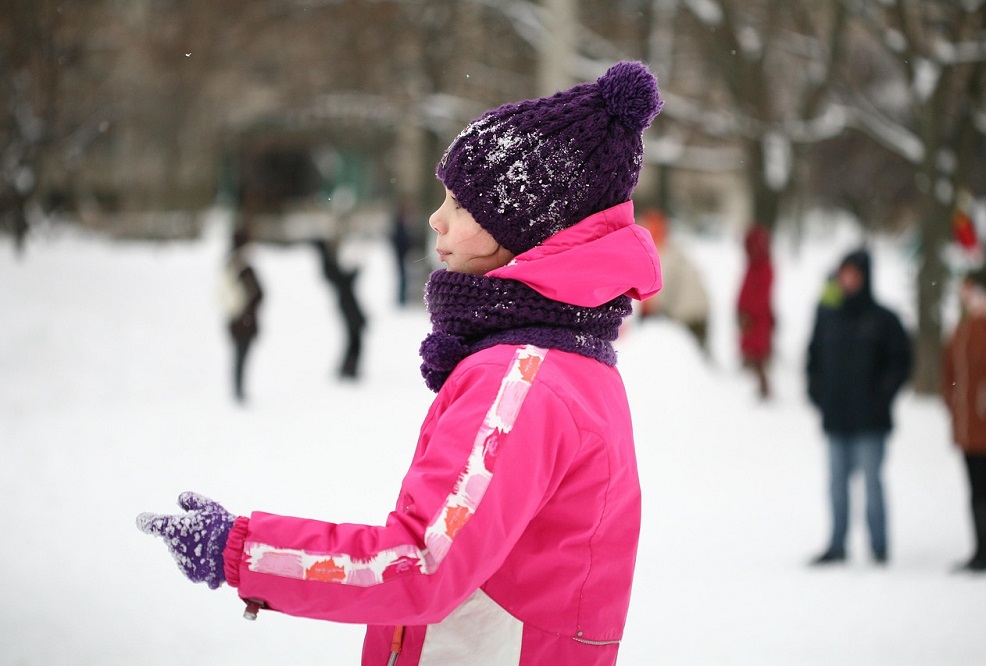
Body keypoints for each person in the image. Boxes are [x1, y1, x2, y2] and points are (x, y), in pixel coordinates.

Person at [137, 61, 663, 665]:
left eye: (460, 206)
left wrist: (242, 551)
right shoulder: (573, 361)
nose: (437, 219)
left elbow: (420, 564)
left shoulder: (521, 380)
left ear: (521, 228)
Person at [806, 248, 911, 565]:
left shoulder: (883, 319)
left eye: (854, 273)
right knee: (837, 486)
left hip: (871, 420)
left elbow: (901, 362)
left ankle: (879, 546)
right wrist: (818, 394)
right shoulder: (828, 315)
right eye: (844, 273)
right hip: (837, 417)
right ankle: (837, 545)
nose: (848, 280)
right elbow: (814, 358)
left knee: (872, 484)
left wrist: (882, 395)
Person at [942, 269, 986, 572]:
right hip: (969, 425)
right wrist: (952, 403)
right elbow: (951, 371)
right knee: (977, 487)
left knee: (983, 486)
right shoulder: (965, 326)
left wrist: (979, 322)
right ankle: (980, 550)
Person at [640, 209, 711, 356]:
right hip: (702, 310)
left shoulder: (662, 255)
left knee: (687, 360)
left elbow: (658, 290)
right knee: (698, 360)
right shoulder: (674, 251)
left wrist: (646, 312)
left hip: (688, 315)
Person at [219, 226, 264, 402]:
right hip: (242, 320)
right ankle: (238, 391)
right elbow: (252, 294)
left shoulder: (234, 265)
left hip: (241, 319)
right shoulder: (239, 267)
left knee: (240, 356)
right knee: (240, 356)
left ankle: (238, 389)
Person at [313, 238, 367, 379]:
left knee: (354, 337)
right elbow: (344, 280)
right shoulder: (329, 265)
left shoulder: (329, 264)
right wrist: (355, 273)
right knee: (354, 337)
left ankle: (349, 367)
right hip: (347, 304)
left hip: (347, 303)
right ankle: (349, 368)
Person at [736, 223, 775, 399]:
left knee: (759, 357)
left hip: (757, 320)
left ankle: (764, 391)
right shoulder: (753, 265)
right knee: (751, 355)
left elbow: (761, 296)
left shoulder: (764, 267)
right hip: (750, 319)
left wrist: (748, 314)